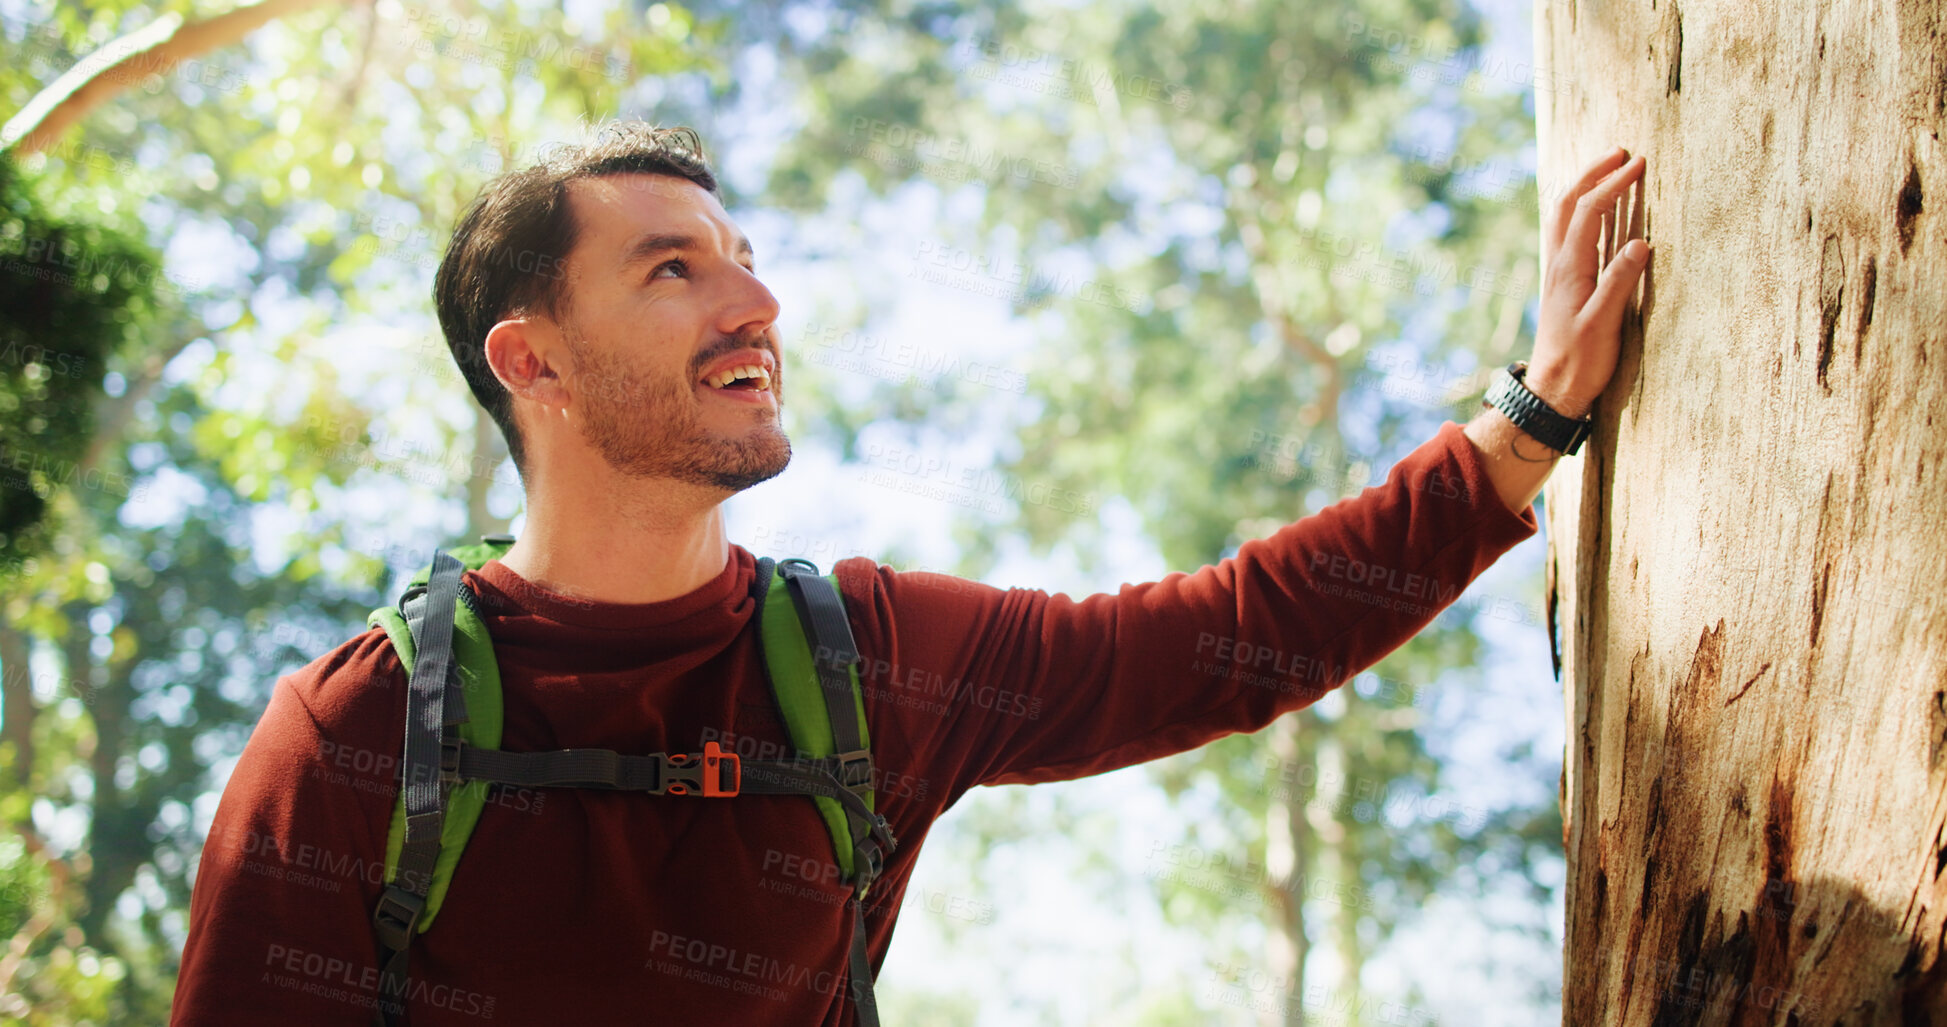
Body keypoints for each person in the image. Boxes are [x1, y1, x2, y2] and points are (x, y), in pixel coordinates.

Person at [170, 123, 1649, 1025]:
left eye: (742, 257)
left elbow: (1222, 639)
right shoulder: (355, 736)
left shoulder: (863, 662)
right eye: (672, 269)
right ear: (531, 359)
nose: (757, 301)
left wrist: (1526, 426)